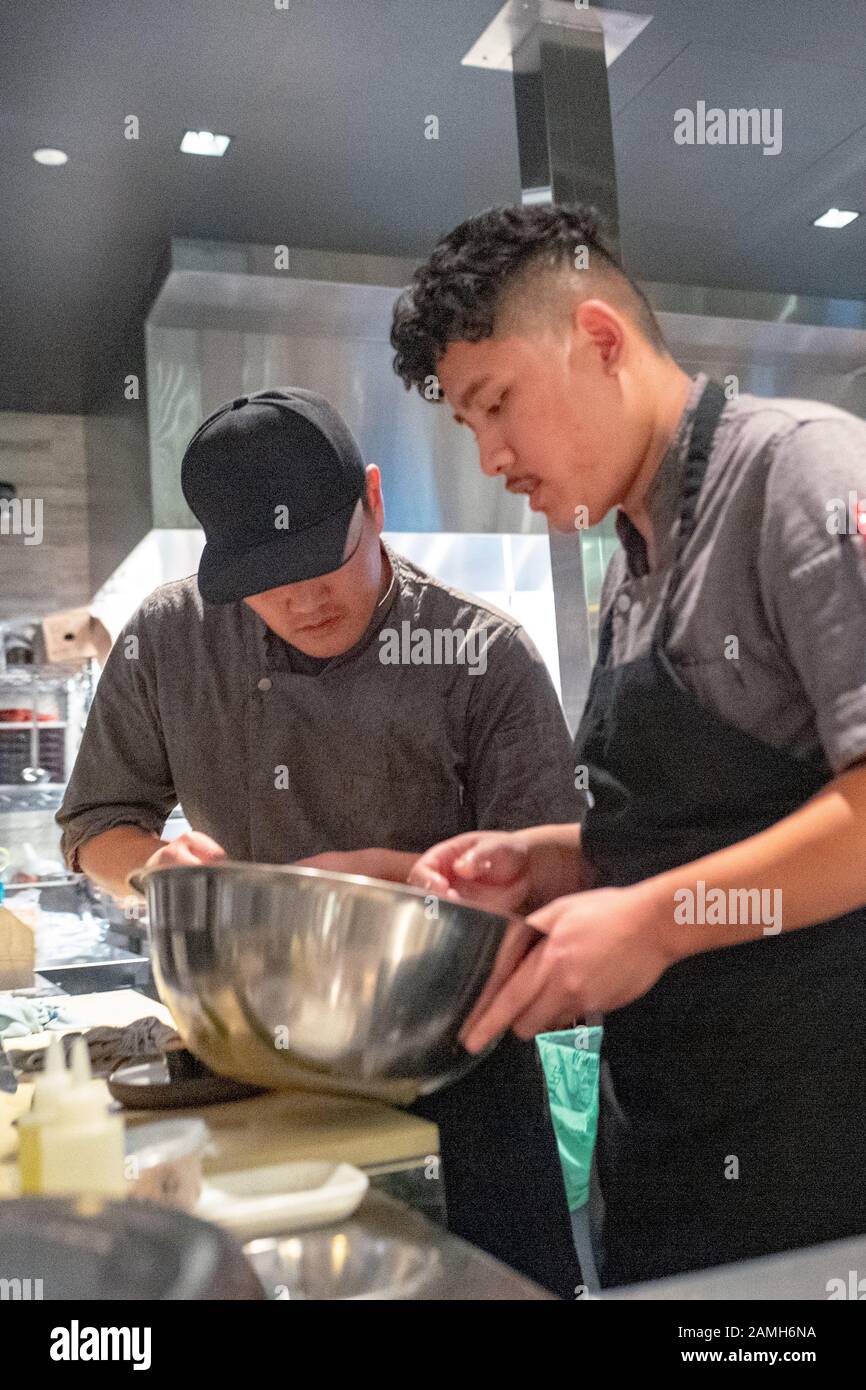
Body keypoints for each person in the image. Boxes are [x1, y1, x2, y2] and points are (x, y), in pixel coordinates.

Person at [392, 203, 866, 1288]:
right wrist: (551, 860)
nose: (491, 455)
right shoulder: (634, 553)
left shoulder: (796, 476)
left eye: (496, 403)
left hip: (824, 1164)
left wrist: (652, 921)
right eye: (467, 425)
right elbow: (706, 822)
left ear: (599, 340)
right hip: (679, 1146)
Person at [57, 386, 583, 1297]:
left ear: (374, 500)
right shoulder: (169, 639)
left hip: (458, 1085)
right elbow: (95, 823)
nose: (301, 601)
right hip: (253, 1082)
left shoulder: (482, 656)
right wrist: (154, 870)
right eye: (265, 579)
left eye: (322, 560)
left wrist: (399, 881)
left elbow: (558, 896)